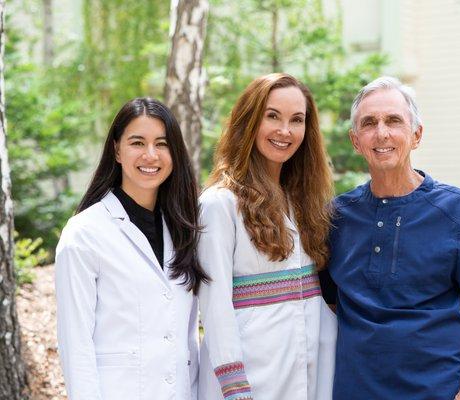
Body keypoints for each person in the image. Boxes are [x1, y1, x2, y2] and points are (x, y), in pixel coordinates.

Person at [321, 76, 460, 400]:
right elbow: (327, 304)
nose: (381, 133)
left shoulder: (459, 210)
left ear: (416, 135)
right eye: (369, 123)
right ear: (356, 141)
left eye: (394, 121)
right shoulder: (337, 217)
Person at [197, 73, 337, 400]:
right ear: (249, 121)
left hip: (310, 370)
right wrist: (235, 388)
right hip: (251, 377)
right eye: (272, 116)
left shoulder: (302, 201)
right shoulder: (220, 204)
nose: (284, 131)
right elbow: (214, 306)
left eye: (296, 120)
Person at [55, 98, 205, 400]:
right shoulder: (85, 234)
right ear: (116, 150)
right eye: (137, 142)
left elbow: (187, 339)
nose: (151, 155)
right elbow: (75, 345)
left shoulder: (184, 230)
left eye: (161, 144)